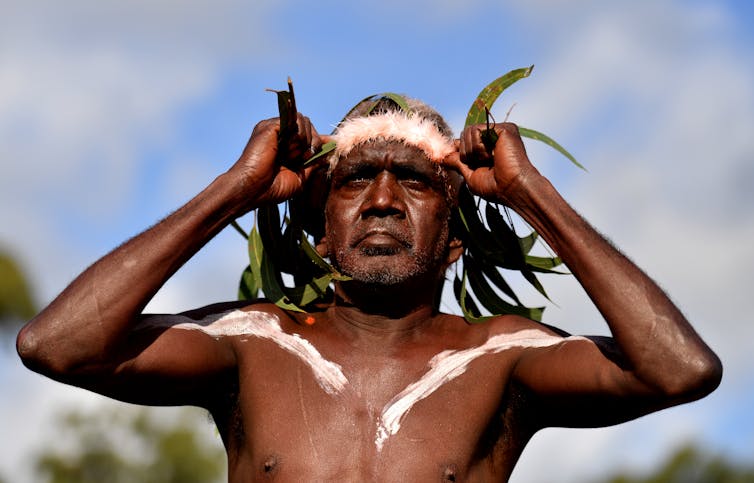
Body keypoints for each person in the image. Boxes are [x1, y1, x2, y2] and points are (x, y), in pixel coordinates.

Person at [17, 96, 721, 482]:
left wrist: (528, 192)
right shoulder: (254, 344)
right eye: (355, 179)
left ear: (454, 241)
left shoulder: (501, 360)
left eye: (414, 180)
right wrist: (235, 189)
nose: (382, 198)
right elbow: (56, 346)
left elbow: (679, 369)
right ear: (323, 232)